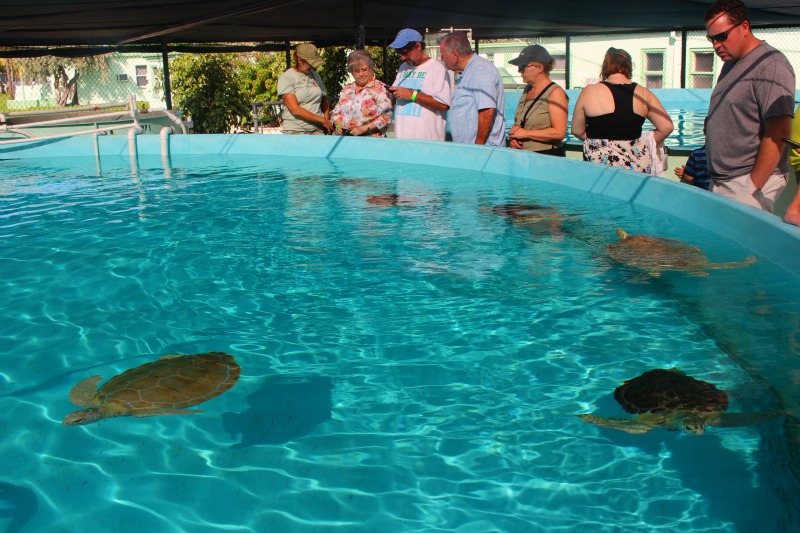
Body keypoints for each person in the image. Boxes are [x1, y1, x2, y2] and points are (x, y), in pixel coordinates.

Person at [704, 0, 795, 213]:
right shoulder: (731, 63)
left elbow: (779, 132)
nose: (716, 45)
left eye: (721, 36)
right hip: (724, 179)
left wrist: (752, 187)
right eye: (711, 38)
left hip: (746, 182)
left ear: (744, 27)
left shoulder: (771, 65)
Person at [571, 47, 674, 173]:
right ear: (629, 66)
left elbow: (577, 130)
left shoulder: (590, 91)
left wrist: (600, 142)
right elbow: (667, 127)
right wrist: (642, 142)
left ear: (605, 66)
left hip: (600, 164)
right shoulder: (644, 93)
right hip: (636, 165)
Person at [439, 31, 506, 146]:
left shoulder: (479, 70)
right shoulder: (468, 71)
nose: (441, 59)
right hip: (472, 149)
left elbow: (487, 111)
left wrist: (478, 147)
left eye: (443, 54)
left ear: (455, 55)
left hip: (484, 151)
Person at [387, 28, 451, 141]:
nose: (402, 57)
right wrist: (390, 93)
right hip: (402, 141)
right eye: (398, 52)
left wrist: (412, 95)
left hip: (427, 143)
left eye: (404, 52)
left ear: (418, 46)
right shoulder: (403, 67)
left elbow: (444, 105)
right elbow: (398, 93)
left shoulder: (437, 69)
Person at [506, 45, 568, 156]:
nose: (519, 70)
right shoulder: (527, 90)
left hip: (547, 156)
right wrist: (514, 138)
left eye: (523, 66)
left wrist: (525, 134)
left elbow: (559, 133)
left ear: (540, 68)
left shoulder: (555, 93)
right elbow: (522, 125)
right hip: (525, 155)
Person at [331, 50, 393, 137]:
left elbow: (387, 117)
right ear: (351, 72)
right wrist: (338, 125)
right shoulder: (347, 89)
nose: (361, 74)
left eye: (364, 70)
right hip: (346, 140)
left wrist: (362, 129)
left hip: (370, 141)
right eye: (356, 71)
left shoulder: (380, 88)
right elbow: (336, 113)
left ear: (371, 68)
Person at [277, 43, 333, 134]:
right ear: (299, 60)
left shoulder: (315, 75)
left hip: (317, 128)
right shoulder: (287, 77)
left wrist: (326, 119)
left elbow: (324, 99)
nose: (313, 67)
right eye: (310, 64)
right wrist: (322, 120)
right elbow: (295, 109)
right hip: (295, 130)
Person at [674, 118, 711, 190]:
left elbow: (689, 177)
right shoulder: (725, 154)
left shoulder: (696, 154)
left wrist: (685, 174)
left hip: (702, 193)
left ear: (704, 132)